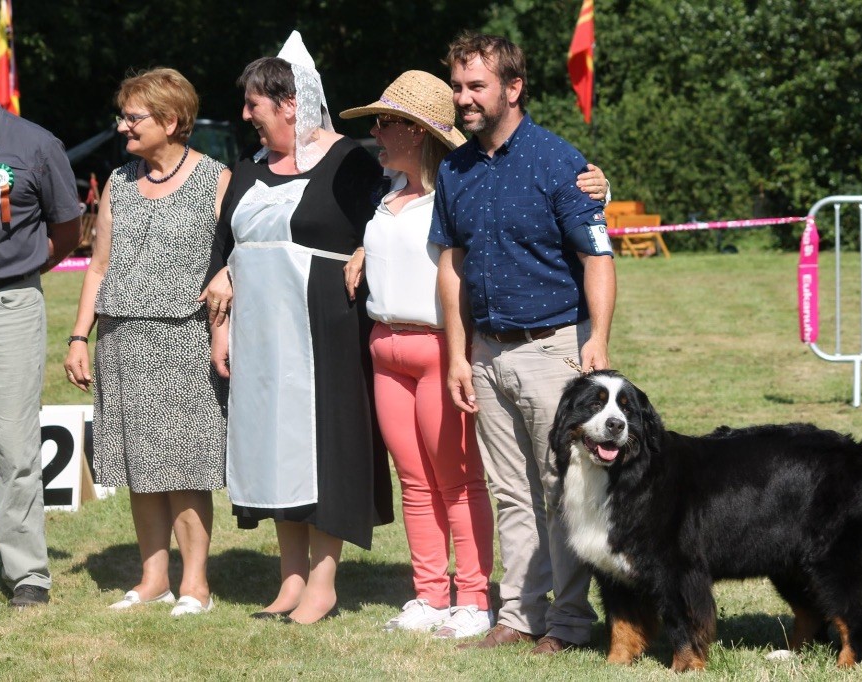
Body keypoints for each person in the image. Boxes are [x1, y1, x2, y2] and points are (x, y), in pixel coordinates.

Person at [339, 71, 612, 638]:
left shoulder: (464, 181)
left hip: (455, 342)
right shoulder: (389, 192)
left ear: (418, 132)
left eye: (388, 122)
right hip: (395, 343)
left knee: (482, 481)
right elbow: (415, 244)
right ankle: (436, 594)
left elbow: (560, 215)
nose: (379, 132)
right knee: (423, 480)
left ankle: (486, 596)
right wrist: (365, 247)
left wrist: (601, 187)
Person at [430, 33, 617, 654]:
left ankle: (567, 624)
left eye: (475, 86)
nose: (463, 99)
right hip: (486, 351)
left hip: (553, 347)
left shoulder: (561, 163)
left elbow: (598, 257)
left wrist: (597, 344)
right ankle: (518, 615)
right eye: (458, 87)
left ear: (513, 89)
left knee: (561, 487)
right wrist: (458, 354)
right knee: (511, 492)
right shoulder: (454, 168)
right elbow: (451, 266)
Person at [206, 32, 393, 625]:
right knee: (272, 448)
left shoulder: (348, 163)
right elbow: (225, 245)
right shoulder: (247, 169)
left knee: (323, 446)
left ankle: (323, 582)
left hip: (324, 328)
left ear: (290, 103)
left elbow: (399, 212)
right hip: (259, 334)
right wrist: (220, 297)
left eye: (253, 103)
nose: (245, 115)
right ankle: (288, 580)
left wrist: (367, 247)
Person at [63, 68, 230, 616]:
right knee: (139, 464)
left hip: (183, 339)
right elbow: (98, 266)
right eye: (124, 116)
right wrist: (78, 336)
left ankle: (196, 584)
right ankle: (153, 577)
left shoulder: (216, 178)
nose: (123, 126)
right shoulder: (117, 181)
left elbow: (233, 258)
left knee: (183, 465)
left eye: (133, 117)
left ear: (171, 120)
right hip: (119, 338)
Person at [0, 97, 82, 609]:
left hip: (8, 303)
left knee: (12, 442)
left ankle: (27, 573)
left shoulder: (36, 144)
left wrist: (22, 270)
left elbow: (66, 230)